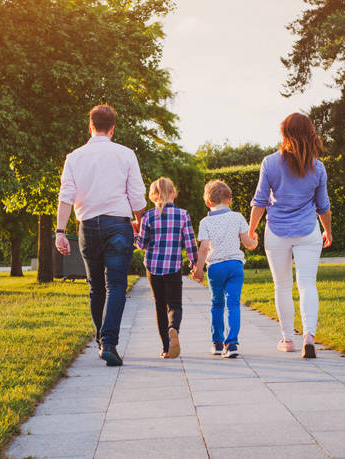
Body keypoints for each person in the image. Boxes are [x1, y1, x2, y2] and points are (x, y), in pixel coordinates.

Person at [55, 104, 146, 367]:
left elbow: (66, 198)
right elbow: (137, 196)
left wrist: (60, 232)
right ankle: (109, 343)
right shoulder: (126, 154)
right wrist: (140, 224)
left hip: (87, 226)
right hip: (118, 224)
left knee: (96, 286)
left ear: (90, 126)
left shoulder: (74, 157)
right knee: (115, 285)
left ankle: (100, 340)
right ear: (113, 128)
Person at [248, 112, 332, 359]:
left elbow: (260, 201)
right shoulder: (318, 167)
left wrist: (252, 230)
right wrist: (327, 230)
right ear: (310, 133)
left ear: (284, 133)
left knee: (282, 286)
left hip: (276, 232)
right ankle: (309, 336)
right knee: (307, 284)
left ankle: (287, 339)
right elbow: (323, 206)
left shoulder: (270, 163)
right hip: (308, 231)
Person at [193, 180, 258, 358]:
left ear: (208, 202)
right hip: (235, 266)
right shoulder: (237, 217)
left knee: (217, 304)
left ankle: (217, 343)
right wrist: (255, 242)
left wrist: (199, 270)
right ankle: (232, 343)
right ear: (230, 199)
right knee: (233, 304)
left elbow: (204, 248)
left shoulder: (205, 222)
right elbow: (247, 242)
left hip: (215, 268)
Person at [135, 177, 198, 359]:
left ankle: (165, 348)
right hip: (173, 266)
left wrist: (134, 233)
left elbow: (142, 244)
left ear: (153, 196)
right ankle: (173, 328)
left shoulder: (148, 216)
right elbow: (190, 243)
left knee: (159, 305)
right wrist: (195, 264)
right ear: (173, 193)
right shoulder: (183, 214)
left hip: (153, 267)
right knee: (175, 305)